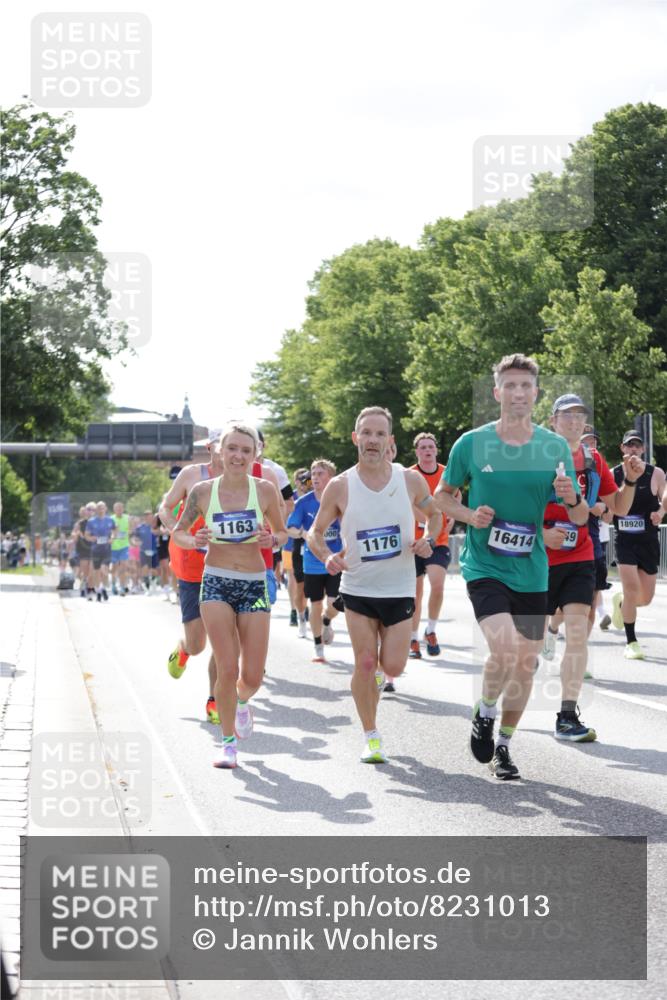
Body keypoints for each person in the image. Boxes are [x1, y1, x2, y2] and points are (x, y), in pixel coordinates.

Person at [435, 354, 588, 780]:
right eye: (511, 385)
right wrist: (468, 516)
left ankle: (503, 743)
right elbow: (442, 497)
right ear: (497, 392)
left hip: (532, 569)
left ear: (535, 394)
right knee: (503, 650)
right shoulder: (471, 443)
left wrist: (570, 497)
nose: (518, 393)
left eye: (526, 386)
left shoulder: (554, 447)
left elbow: (577, 517)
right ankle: (485, 712)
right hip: (485, 564)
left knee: (525, 664)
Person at [308, 406, 441, 764]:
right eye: (366, 433)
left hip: (399, 588)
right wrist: (327, 557)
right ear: (356, 437)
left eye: (380, 434)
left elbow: (436, 513)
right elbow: (314, 533)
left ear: (390, 441)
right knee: (365, 663)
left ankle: (379, 683)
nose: (372, 440)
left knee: (392, 667)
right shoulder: (340, 486)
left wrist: (427, 537)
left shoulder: (409, 480)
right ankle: (371, 734)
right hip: (358, 589)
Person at [172, 424, 287, 769]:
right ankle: (227, 745)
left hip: (253, 583)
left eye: (245, 451)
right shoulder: (203, 492)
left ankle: (240, 701)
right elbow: (177, 533)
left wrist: (273, 539)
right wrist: (195, 540)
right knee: (226, 665)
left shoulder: (265, 490)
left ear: (255, 456)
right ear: (220, 452)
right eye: (232, 449)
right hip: (216, 582)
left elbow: (282, 531)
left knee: (251, 676)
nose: (238, 456)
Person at [542, 395, 636, 742]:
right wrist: (541, 533)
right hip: (536, 559)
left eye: (579, 416)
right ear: (553, 421)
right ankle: (495, 708)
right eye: (566, 416)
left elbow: (618, 509)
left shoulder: (594, 460)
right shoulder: (536, 457)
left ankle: (567, 716)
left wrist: (629, 481)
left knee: (578, 633)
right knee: (523, 645)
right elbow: (515, 507)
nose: (574, 422)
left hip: (579, 554)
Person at [158, 430, 223, 724]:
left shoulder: (251, 479)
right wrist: (177, 530)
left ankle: (215, 700)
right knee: (199, 644)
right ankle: (184, 649)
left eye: (239, 447)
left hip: (229, 567)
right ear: (210, 448)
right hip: (192, 566)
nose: (231, 453)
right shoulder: (190, 475)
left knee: (226, 641)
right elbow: (165, 507)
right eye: (224, 446)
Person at [610, 430, 666, 659]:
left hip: (648, 541)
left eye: (637, 446)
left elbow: (665, 494)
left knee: (644, 598)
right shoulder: (613, 474)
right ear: (622, 449)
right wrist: (605, 511)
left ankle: (622, 602)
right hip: (624, 540)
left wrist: (661, 511)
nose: (633, 449)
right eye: (628, 446)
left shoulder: (656, 473)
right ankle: (631, 642)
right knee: (632, 588)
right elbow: (607, 502)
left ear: (643, 450)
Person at [287, 460, 343, 662]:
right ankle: (318, 646)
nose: (315, 477)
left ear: (331, 477)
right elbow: (290, 528)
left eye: (320, 473)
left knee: (334, 603)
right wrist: (305, 533)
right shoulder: (304, 502)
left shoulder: (340, 499)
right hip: (312, 561)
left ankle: (327, 620)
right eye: (313, 473)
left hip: (335, 559)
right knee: (316, 603)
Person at [409, 432, 456, 659]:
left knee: (437, 585)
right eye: (423, 447)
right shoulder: (410, 475)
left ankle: (431, 630)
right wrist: (428, 520)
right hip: (414, 542)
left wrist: (452, 518)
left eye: (430, 447)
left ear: (436, 450)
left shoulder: (447, 472)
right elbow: (408, 505)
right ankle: (413, 638)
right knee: (416, 594)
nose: (427, 451)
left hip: (439, 540)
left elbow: (454, 498)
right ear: (417, 451)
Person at [84, 501, 116, 601]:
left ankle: (102, 588)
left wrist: (112, 538)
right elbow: (86, 535)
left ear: (105, 509)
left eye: (102, 508)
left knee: (104, 570)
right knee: (97, 572)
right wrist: (91, 538)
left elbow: (115, 531)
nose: (101, 510)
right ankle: (99, 590)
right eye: (99, 508)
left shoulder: (110, 520)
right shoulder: (91, 521)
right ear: (96, 510)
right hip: (96, 550)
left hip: (106, 549)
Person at [111, 501, 130, 596]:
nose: (119, 510)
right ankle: (113, 584)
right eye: (117, 508)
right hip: (113, 547)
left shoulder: (127, 518)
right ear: (114, 510)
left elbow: (131, 530)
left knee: (123, 567)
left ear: (123, 509)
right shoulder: (111, 519)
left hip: (124, 546)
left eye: (120, 508)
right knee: (114, 568)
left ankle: (122, 587)